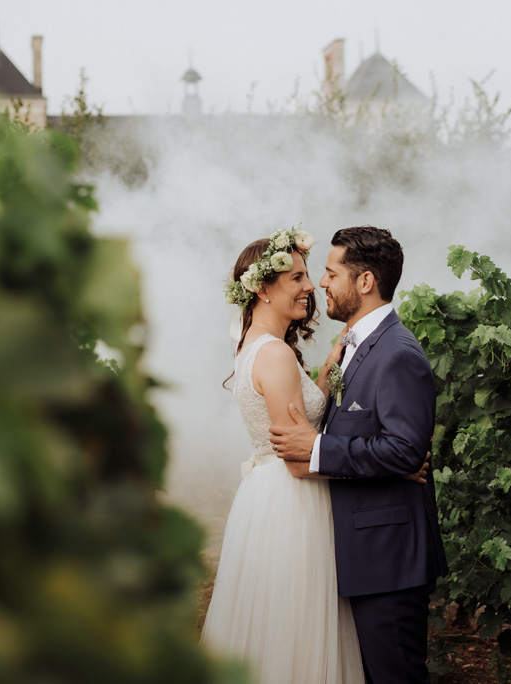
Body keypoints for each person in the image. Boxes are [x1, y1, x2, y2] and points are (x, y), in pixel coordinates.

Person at [270, 225, 449, 684]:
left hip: (388, 558)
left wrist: (319, 448)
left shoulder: (397, 353)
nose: (322, 284)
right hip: (363, 553)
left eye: (331, 273)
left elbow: (407, 450)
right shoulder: (357, 344)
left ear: (365, 281)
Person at [200, 225, 365, 683]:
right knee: (297, 619)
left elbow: (301, 419)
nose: (310, 286)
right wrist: (383, 470)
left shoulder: (260, 348)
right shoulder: (273, 355)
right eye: (296, 277)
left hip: (267, 494)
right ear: (262, 288)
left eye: (307, 275)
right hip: (293, 499)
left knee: (276, 624)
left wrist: (330, 364)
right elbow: (299, 457)